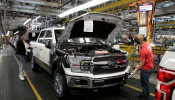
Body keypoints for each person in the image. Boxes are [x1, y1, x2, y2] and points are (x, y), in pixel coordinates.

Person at [132, 34, 154, 100]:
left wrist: (136, 70)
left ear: (137, 42)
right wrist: (141, 63)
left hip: (146, 69)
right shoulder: (148, 44)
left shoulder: (142, 50)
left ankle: (145, 98)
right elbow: (147, 57)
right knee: (145, 83)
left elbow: (142, 63)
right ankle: (144, 94)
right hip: (151, 66)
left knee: (144, 84)